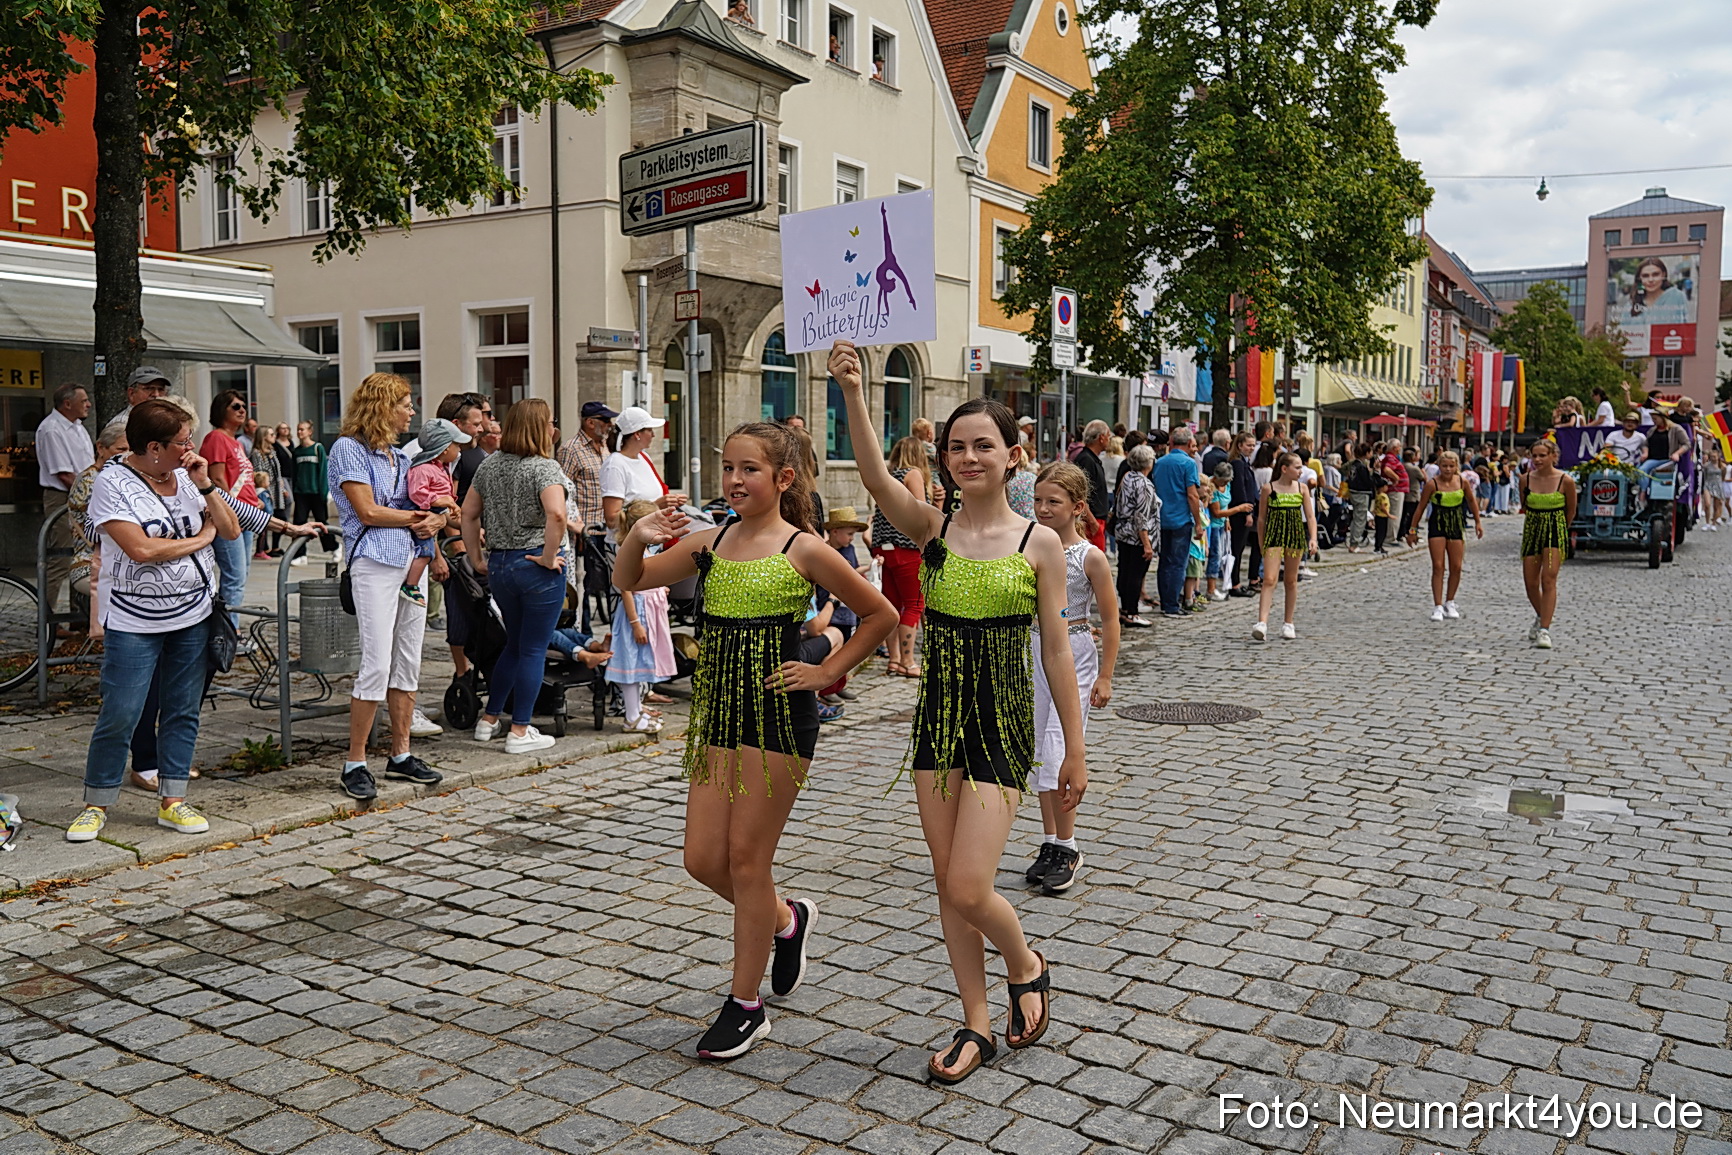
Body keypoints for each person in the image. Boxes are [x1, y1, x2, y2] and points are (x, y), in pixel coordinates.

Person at [835, 338, 1080, 1085]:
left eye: (984, 445)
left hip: (1004, 724)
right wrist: (852, 389)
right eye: (956, 447)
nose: (968, 456)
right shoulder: (932, 530)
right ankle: (975, 1022)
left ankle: (1026, 962)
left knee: (972, 884)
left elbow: (1058, 652)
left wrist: (1074, 749)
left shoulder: (1040, 543)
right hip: (938, 723)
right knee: (948, 883)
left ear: (1013, 454)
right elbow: (876, 476)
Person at [614, 420, 894, 1060]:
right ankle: (786, 920)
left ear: (783, 479)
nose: (735, 480)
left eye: (750, 470)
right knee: (702, 859)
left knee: (746, 861)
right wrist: (635, 534)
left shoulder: (806, 549)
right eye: (729, 467)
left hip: (777, 719)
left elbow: (877, 614)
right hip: (716, 714)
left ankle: (746, 1005)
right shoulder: (710, 542)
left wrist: (827, 672)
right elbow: (631, 579)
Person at [63, 399, 242, 844]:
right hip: (134, 618)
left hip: (193, 613)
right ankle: (96, 804)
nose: (191, 448)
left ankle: (173, 799)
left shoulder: (185, 476)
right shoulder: (113, 483)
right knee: (121, 711)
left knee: (182, 709)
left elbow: (232, 530)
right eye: (183, 442)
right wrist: (201, 538)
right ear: (154, 447)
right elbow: (140, 549)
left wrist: (205, 486)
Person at [329, 373, 447, 801]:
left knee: (407, 660)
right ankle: (355, 760)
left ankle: (400, 753)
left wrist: (436, 517)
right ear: (383, 406)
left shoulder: (396, 456)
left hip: (408, 562)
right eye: (406, 403)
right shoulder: (349, 449)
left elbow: (413, 504)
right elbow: (368, 511)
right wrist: (422, 519)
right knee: (376, 663)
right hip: (375, 563)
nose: (412, 411)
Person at [1025, 462, 1118, 896]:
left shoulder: (1089, 556)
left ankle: (1068, 845)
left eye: (1053, 502)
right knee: (1040, 751)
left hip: (1075, 654)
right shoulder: (1028, 547)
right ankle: (1049, 841)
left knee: (1061, 745)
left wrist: (1105, 675)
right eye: (1038, 500)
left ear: (1077, 507)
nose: (1042, 509)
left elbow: (1112, 618)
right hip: (1033, 653)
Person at [460, 399, 568, 753]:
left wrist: (476, 557)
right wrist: (549, 557)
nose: (554, 427)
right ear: (540, 427)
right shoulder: (545, 468)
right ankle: (520, 730)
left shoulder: (490, 467)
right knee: (534, 649)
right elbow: (556, 515)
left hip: (501, 566)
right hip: (536, 567)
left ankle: (489, 719)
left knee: (514, 645)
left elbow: (469, 513)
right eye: (551, 421)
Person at [604, 500, 677, 734]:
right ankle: (631, 715)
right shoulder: (630, 550)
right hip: (637, 613)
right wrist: (635, 623)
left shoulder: (647, 548)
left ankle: (636, 709)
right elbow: (626, 588)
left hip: (649, 610)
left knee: (641, 662)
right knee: (631, 661)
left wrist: (658, 589)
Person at [872, 436, 933, 678]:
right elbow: (920, 509)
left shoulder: (887, 476)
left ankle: (894, 661)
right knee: (915, 603)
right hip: (907, 547)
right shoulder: (913, 474)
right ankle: (908, 661)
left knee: (892, 605)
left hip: (882, 548)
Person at [201, 390, 261, 626]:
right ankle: (228, 632)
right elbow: (216, 480)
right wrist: (232, 509)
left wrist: (255, 500)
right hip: (229, 516)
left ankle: (229, 628)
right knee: (234, 576)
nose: (242, 410)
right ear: (221, 410)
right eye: (235, 406)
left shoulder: (234, 441)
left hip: (245, 515)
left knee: (240, 575)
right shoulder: (216, 438)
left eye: (244, 406)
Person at [35, 382, 95, 614]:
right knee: (61, 558)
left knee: (82, 557)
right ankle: (47, 620)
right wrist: (89, 496)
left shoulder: (78, 426)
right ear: (67, 404)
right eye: (83, 401)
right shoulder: (51, 429)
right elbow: (63, 474)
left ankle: (77, 617)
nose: (88, 404)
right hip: (63, 497)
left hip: (83, 495)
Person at [68, 416, 129, 638]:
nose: (126, 455)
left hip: (115, 558)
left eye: (131, 450)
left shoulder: (120, 475)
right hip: (90, 561)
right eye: (121, 449)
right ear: (101, 448)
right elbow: (101, 532)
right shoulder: (91, 480)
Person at [1405, 451, 1483, 621]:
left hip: (1456, 524)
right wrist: (1413, 530)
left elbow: (1471, 501)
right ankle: (1438, 605)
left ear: (1456, 467)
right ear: (1439, 466)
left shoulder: (1462, 482)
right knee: (1438, 566)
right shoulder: (1433, 484)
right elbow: (1421, 507)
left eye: (1451, 466)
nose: (1448, 469)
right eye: (1444, 466)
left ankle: (1450, 601)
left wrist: (1478, 522)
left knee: (1456, 566)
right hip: (1437, 524)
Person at [1252, 452, 1318, 642]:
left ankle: (1288, 622)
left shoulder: (1302, 489)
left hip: (1295, 535)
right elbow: (1262, 519)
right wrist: (1261, 541)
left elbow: (1311, 517)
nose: (1300, 471)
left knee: (1291, 580)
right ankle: (1262, 622)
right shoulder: (1269, 488)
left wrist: (1313, 538)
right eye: (1297, 467)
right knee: (1269, 579)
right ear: (1284, 469)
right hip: (1274, 536)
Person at [402, 419, 468, 606]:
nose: (459, 449)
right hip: (422, 515)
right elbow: (417, 492)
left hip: (435, 514)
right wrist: (439, 500)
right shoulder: (423, 468)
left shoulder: (440, 468)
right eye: (456, 445)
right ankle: (410, 586)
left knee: (427, 551)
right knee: (425, 553)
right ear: (445, 448)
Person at [1519, 439, 1576, 650]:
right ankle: (1542, 614)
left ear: (1553, 456)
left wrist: (1561, 529)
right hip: (1533, 530)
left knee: (1548, 578)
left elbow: (1571, 509)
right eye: (1534, 455)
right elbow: (1524, 505)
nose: (1537, 460)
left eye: (1543, 455)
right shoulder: (1525, 479)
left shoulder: (1565, 480)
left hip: (1555, 529)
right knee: (1531, 583)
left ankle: (1545, 630)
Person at [557, 399, 617, 600]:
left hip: (606, 524)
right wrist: (573, 525)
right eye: (605, 420)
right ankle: (585, 627)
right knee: (586, 583)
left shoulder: (606, 447)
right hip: (585, 528)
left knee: (606, 579)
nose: (610, 424)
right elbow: (562, 492)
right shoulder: (571, 449)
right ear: (591, 422)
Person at [816, 506, 872, 709]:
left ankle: (839, 684)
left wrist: (868, 568)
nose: (851, 539)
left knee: (847, 648)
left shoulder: (849, 550)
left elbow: (853, 571)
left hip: (847, 609)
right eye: (848, 534)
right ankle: (826, 688)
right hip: (830, 608)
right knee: (832, 651)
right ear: (834, 532)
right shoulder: (824, 552)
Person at [602, 407, 685, 542]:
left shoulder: (644, 457)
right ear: (637, 434)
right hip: (628, 543)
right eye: (649, 430)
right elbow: (612, 519)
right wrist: (656, 506)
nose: (653, 435)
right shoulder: (615, 465)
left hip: (651, 540)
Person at [1149, 426, 1204, 617]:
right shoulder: (1189, 464)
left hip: (1161, 519)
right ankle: (1172, 605)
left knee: (1164, 562)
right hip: (1181, 519)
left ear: (1171, 443)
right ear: (1189, 444)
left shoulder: (1159, 462)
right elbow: (1192, 495)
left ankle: (1166, 601)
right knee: (1178, 563)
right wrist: (1198, 522)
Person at [1111, 444, 1156, 627]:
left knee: (1125, 571)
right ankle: (1132, 612)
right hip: (1136, 535)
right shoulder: (1144, 484)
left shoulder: (1127, 477)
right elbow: (1141, 516)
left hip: (1123, 532)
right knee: (1136, 574)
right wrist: (1146, 543)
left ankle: (1124, 609)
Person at [290, 421, 337, 560]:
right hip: (301, 493)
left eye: (303, 430)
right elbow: (294, 473)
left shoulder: (318, 448)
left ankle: (334, 547)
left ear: (310, 432)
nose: (300, 432)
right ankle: (300, 554)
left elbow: (323, 471)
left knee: (321, 521)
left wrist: (323, 492)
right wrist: (295, 492)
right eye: (298, 430)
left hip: (316, 493)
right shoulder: (296, 451)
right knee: (299, 522)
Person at [1206, 462, 1249, 602]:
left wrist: (1227, 520)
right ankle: (1210, 589)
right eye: (1223, 480)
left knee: (1221, 556)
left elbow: (1226, 505)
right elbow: (1217, 512)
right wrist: (1239, 509)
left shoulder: (1226, 485)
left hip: (1221, 525)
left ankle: (1216, 585)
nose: (1225, 483)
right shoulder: (1211, 486)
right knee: (1215, 556)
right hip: (1212, 525)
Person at [1226, 432, 1258, 595]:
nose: (1251, 448)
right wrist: (1247, 511)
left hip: (1244, 509)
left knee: (1238, 548)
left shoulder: (1243, 463)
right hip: (1240, 512)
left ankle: (1235, 582)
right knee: (1236, 548)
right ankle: (1234, 584)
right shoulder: (1238, 464)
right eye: (1248, 445)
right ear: (1239, 446)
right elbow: (1240, 489)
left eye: (1253, 445)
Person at [1073, 420, 1111, 552]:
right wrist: (1092, 522)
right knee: (1094, 560)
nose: (1109, 440)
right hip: (1092, 521)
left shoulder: (1091, 458)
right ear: (1101, 438)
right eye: (1108, 436)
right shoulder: (1086, 460)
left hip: (1096, 519)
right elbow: (1081, 493)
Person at [248, 424, 282, 560]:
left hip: (275, 488)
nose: (274, 437)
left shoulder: (273, 452)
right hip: (265, 488)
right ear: (264, 437)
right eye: (271, 434)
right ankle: (262, 548)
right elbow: (259, 474)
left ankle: (273, 546)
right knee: (265, 518)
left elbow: (277, 471)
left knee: (278, 516)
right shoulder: (256, 454)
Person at [1379, 438, 1409, 547]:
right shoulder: (1390, 457)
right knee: (1395, 513)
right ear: (1395, 448)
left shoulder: (1392, 457)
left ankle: (1392, 536)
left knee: (1396, 513)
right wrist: (1396, 478)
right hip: (1395, 490)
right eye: (1399, 446)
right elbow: (1387, 470)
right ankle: (1390, 538)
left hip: (1397, 490)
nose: (1400, 448)